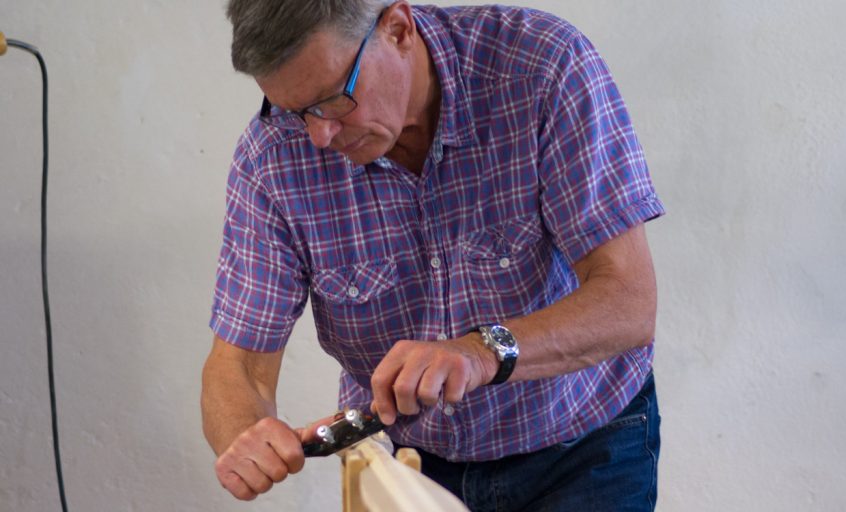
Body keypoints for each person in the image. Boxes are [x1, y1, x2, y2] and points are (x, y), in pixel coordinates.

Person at [200, 1, 665, 510]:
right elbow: (238, 366)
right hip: (408, 466)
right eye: (296, 111)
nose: (318, 136)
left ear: (398, 30)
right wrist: (245, 434)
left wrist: (479, 351)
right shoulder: (271, 155)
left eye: (332, 101)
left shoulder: (542, 66)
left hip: (581, 446)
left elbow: (629, 302)